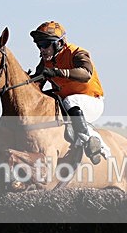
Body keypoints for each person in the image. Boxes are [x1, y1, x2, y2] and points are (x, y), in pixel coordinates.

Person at [30, 21, 111, 164]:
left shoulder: (76, 53)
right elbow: (36, 86)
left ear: (59, 44)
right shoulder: (45, 61)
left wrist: (57, 72)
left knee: (70, 101)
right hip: (68, 102)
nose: (42, 49)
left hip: (91, 101)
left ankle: (90, 141)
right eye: (39, 45)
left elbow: (86, 73)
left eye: (45, 45)